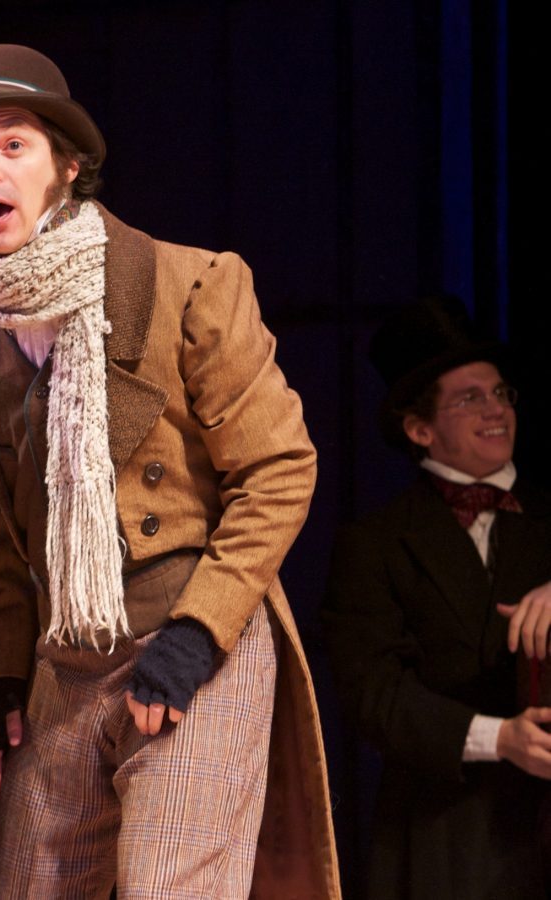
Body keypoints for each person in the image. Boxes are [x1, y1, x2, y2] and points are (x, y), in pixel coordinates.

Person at [0, 44, 339, 897]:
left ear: (68, 167)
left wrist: (195, 637)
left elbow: (278, 470)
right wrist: (2, 673)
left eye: (13, 146)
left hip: (192, 632)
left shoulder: (188, 284)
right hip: (66, 651)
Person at [323, 295, 550, 899]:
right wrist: (498, 738)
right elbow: (372, 694)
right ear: (420, 429)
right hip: (447, 839)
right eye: (469, 398)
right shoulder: (374, 543)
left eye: (500, 393)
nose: (495, 409)